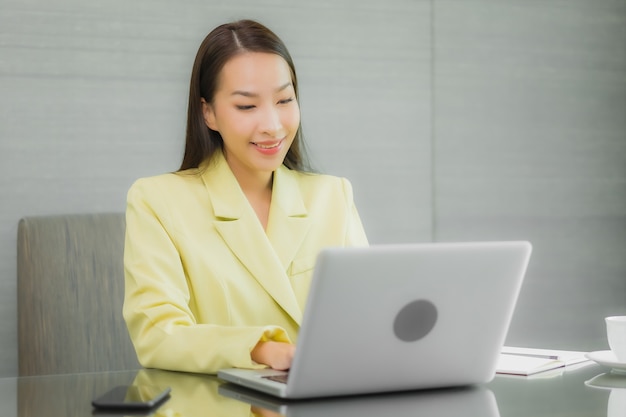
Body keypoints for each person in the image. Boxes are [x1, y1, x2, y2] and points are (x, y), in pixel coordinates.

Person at [123, 19, 368, 375]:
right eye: (246, 107)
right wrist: (263, 350)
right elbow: (157, 333)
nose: (272, 124)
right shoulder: (157, 201)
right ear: (208, 112)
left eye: (285, 100)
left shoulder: (333, 196)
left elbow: (369, 318)